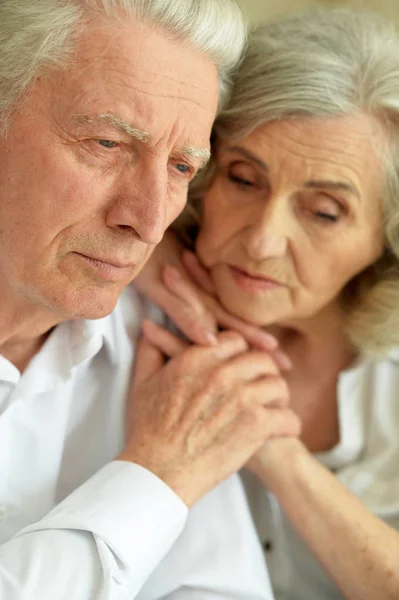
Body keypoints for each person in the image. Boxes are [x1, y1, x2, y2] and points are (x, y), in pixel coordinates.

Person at [0, 1, 302, 599]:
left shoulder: (162, 345)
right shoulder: (175, 440)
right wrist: (159, 475)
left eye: (183, 166)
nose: (148, 219)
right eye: (107, 143)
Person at [136, 6, 399, 600]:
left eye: (325, 212)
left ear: (386, 238)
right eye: (243, 179)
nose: (261, 240)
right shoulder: (132, 306)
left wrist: (279, 454)